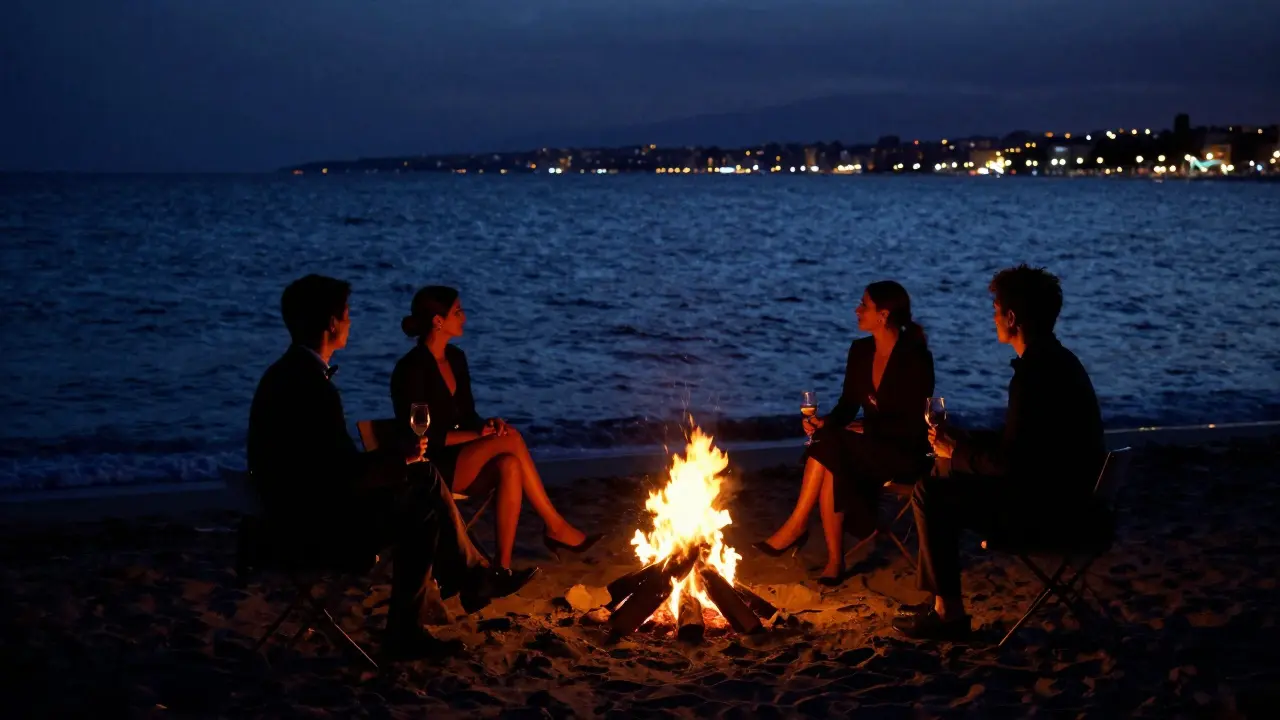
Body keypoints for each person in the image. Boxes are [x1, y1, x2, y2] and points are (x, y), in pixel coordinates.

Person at [248, 275, 536, 661]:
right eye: (347, 315)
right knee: (419, 514)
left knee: (423, 475)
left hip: (296, 505)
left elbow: (325, 468)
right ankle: (413, 625)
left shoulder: (288, 374)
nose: (351, 322)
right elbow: (337, 475)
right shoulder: (311, 387)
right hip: (311, 522)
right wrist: (394, 459)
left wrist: (398, 460)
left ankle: (468, 577)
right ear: (331, 323)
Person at [893, 264, 1105, 641]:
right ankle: (940, 601)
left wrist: (956, 453)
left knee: (930, 492)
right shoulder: (1059, 362)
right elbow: (1027, 443)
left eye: (995, 309)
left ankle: (948, 613)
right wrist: (963, 443)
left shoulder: (1034, 376)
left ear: (1012, 317)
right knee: (942, 478)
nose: (992, 317)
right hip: (1075, 500)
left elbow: (1014, 464)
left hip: (1050, 512)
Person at [390, 286, 602, 570]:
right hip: (429, 464)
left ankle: (502, 568)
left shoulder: (455, 358)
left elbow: (468, 415)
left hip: (462, 458)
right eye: (457, 312)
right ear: (438, 321)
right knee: (511, 440)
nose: (464, 318)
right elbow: (422, 435)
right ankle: (555, 526)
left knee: (509, 464)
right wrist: (478, 436)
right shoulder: (411, 368)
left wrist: (485, 425)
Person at [756, 281, 935, 584]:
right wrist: (827, 422)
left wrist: (865, 427)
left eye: (864, 305)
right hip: (867, 447)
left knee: (832, 448)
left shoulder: (915, 357)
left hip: (904, 451)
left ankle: (800, 529)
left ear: (883, 314)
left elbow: (916, 423)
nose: (857, 310)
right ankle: (829, 557)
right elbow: (848, 405)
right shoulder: (861, 350)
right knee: (830, 448)